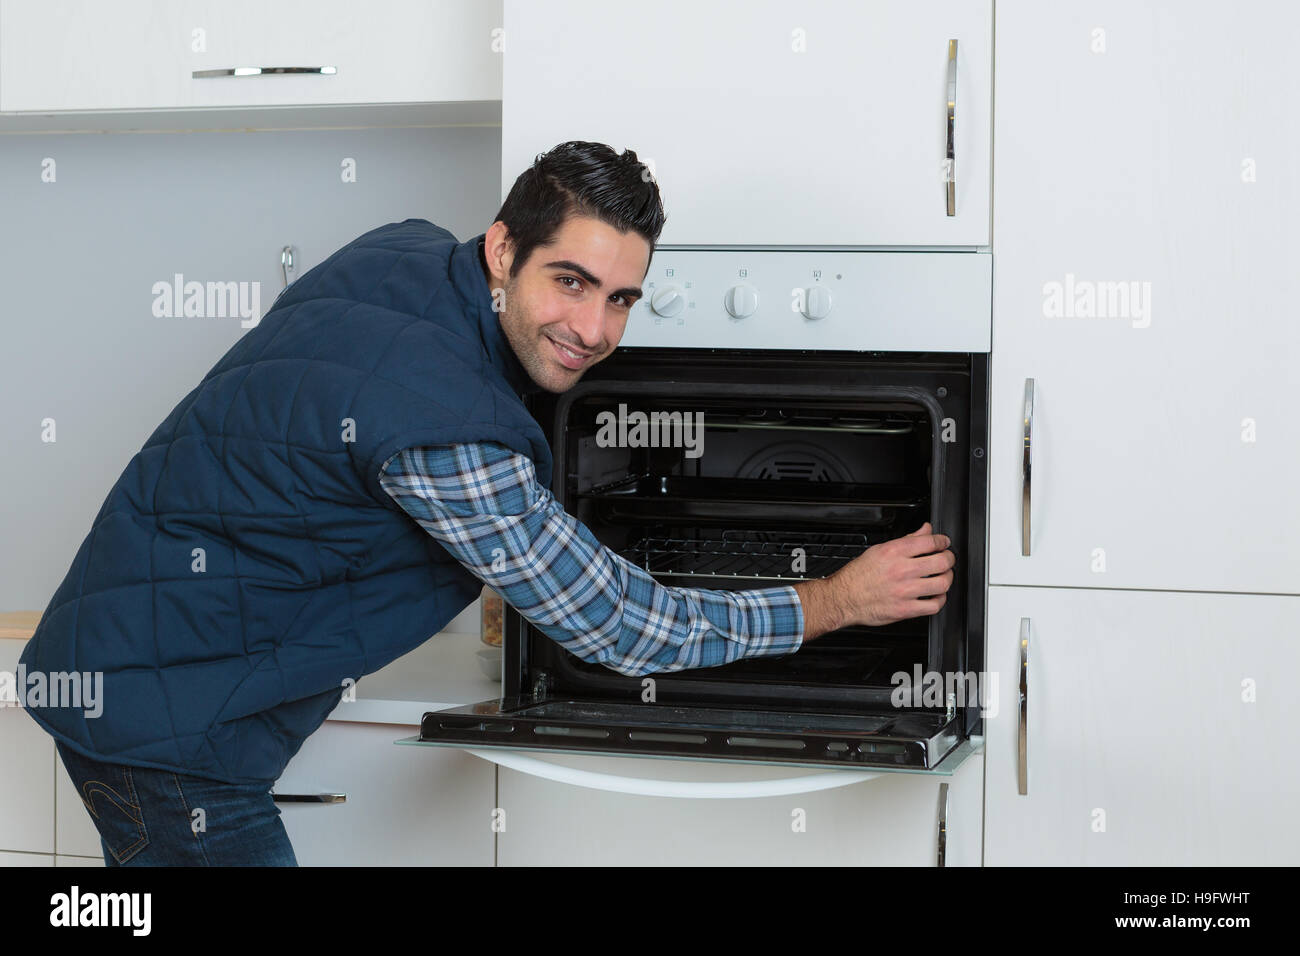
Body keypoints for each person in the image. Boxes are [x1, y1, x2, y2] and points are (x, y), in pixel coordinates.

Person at [18, 141, 954, 866]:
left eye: (623, 297)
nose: (594, 329)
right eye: (571, 283)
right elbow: (624, 630)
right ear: (506, 247)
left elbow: (332, 450)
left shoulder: (403, 250)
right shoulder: (449, 435)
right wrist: (837, 600)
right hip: (163, 729)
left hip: (145, 663)